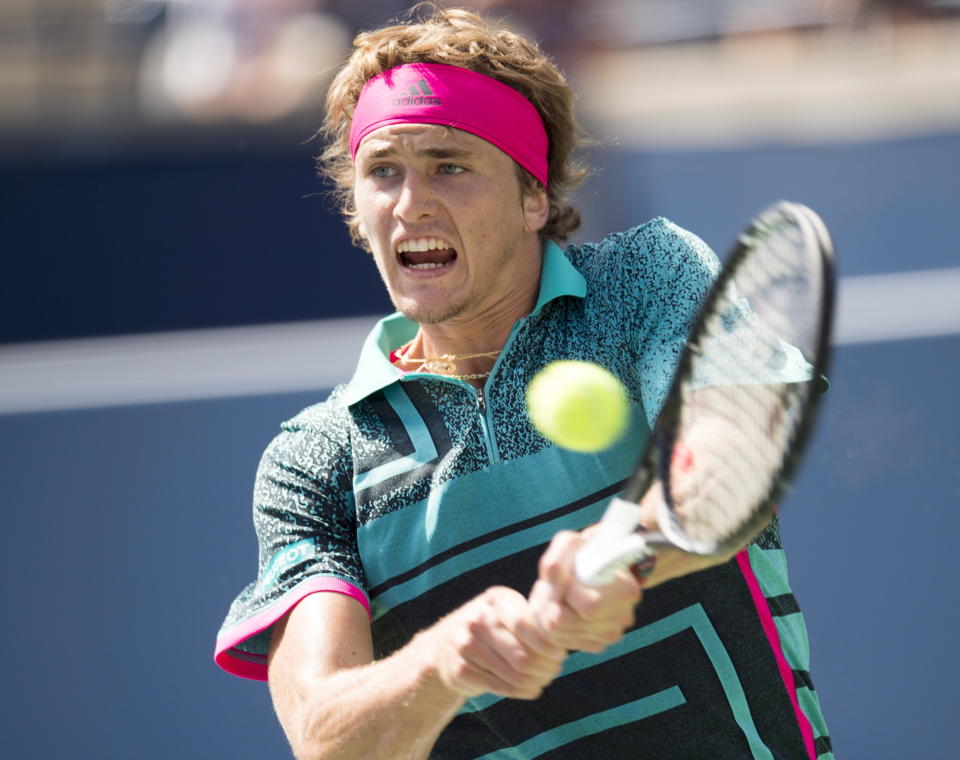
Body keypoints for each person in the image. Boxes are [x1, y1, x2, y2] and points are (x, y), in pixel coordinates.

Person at [214, 7, 833, 759]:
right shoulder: (316, 462)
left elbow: (729, 469)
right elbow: (323, 736)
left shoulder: (644, 278)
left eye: (451, 165)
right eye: (383, 172)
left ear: (533, 199)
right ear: (355, 210)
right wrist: (441, 662)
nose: (411, 203)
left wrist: (625, 548)